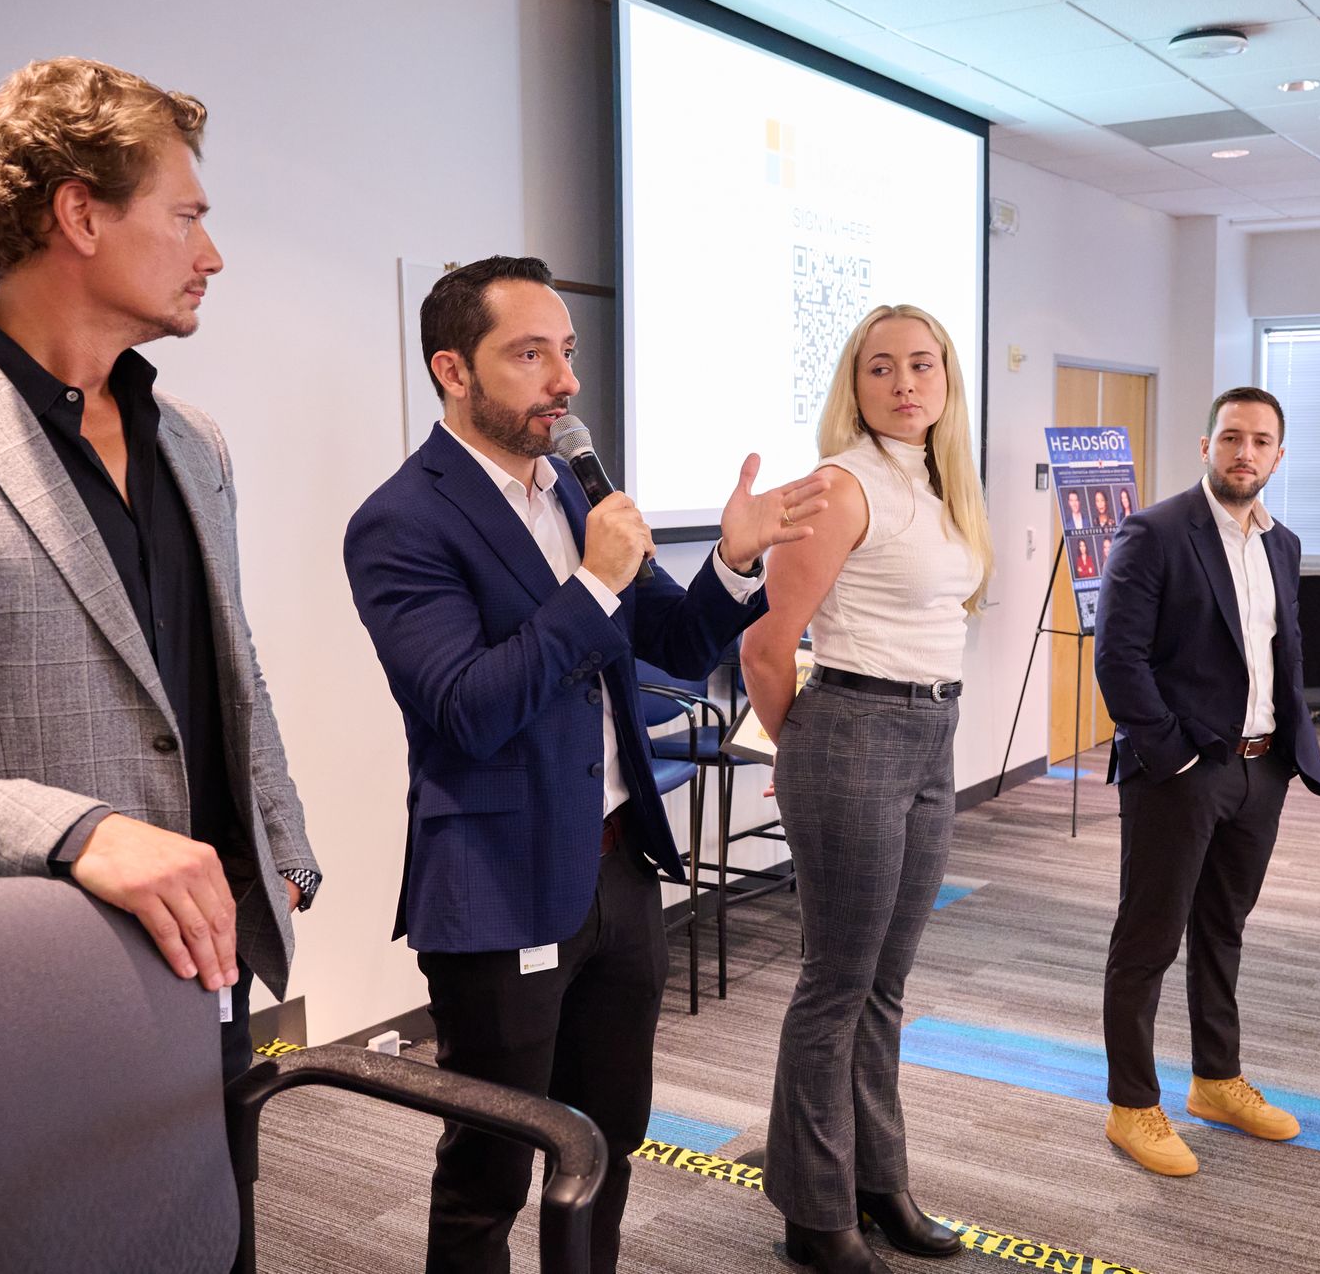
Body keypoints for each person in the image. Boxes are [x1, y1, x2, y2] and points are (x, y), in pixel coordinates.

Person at [342, 255, 825, 1274]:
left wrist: (731, 563)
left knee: (607, 1134)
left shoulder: (572, 489)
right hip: (499, 883)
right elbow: (467, 710)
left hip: (617, 864)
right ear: (453, 370)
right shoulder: (401, 522)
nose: (564, 379)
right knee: (493, 1164)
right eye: (530, 354)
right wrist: (595, 585)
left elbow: (677, 643)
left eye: (567, 352)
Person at [0, 57, 319, 1084]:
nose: (211, 254)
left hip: (213, 965)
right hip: (19, 1001)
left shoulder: (193, 444)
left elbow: (228, 666)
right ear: (80, 215)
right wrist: (81, 835)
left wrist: (284, 856)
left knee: (222, 1238)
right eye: (185, 216)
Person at [742, 304, 992, 1274]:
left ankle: (877, 1183)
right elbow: (765, 644)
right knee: (834, 985)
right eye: (880, 367)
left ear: (946, 380)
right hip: (852, 728)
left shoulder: (938, 486)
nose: (903, 383)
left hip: (933, 734)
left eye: (921, 365)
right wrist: (802, 749)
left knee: (885, 985)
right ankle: (815, 1214)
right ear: (853, 384)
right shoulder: (842, 486)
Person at [1093, 386, 1320, 1178]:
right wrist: (1177, 758)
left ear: (1278, 455)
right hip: (1182, 774)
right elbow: (1117, 659)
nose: (1245, 453)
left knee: (1223, 932)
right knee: (1148, 941)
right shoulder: (1155, 532)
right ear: (1206, 446)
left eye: (1261, 441)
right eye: (1232, 437)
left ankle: (1215, 1080)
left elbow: (1278, 657)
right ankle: (1133, 1105)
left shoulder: (1282, 543)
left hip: (1260, 772)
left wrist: (1285, 753)